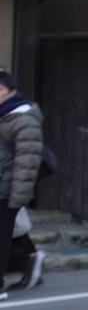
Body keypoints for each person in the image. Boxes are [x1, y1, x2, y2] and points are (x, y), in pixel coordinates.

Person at [0, 69, 45, 293]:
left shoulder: (23, 119)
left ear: (12, 92)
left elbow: (27, 160)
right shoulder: (3, 115)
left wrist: (17, 196)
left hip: (6, 189)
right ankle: (29, 262)